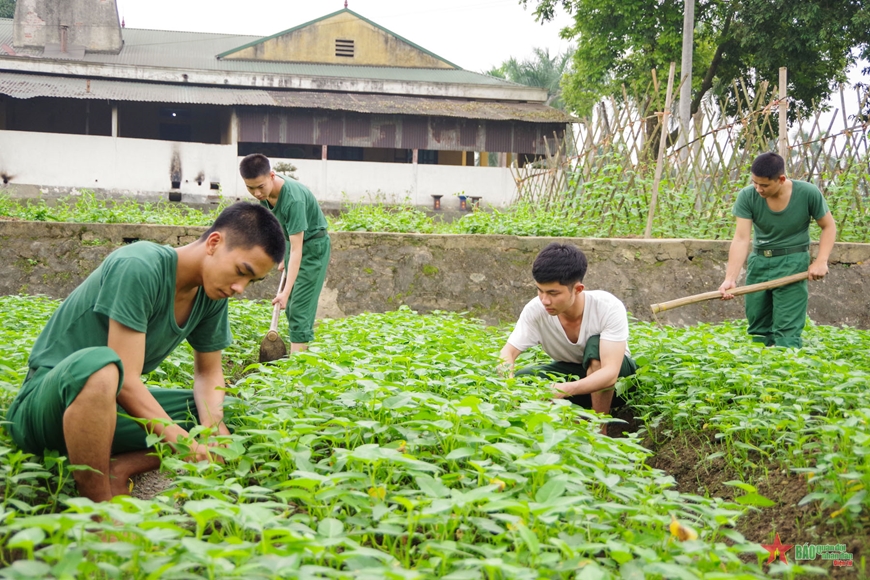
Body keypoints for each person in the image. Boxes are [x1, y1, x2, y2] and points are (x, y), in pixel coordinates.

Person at [5, 202, 285, 502]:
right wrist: (180, 439)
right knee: (103, 368)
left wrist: (213, 427)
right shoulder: (138, 265)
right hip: (47, 410)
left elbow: (208, 373)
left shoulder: (211, 296)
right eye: (241, 272)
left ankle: (121, 466)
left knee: (232, 410)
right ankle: (99, 507)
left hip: (110, 409)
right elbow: (124, 379)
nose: (240, 287)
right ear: (214, 243)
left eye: (251, 281)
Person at [499, 243, 638, 427]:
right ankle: (572, 422)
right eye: (540, 290)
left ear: (578, 289)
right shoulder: (535, 310)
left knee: (595, 347)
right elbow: (507, 353)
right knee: (524, 378)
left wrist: (564, 389)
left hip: (620, 386)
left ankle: (599, 428)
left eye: (553, 293)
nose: (545, 300)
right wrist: (508, 385)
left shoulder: (608, 306)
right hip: (576, 382)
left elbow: (611, 373)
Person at [718, 152, 836, 348]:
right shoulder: (748, 196)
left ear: (781, 179)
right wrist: (731, 278)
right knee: (758, 326)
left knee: (787, 329)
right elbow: (741, 239)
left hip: (793, 262)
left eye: (764, 185)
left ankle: (786, 369)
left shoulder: (807, 193)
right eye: (755, 183)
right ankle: (761, 372)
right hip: (760, 263)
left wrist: (821, 260)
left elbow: (828, 226)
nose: (758, 189)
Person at [239, 154, 330, 353]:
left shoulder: (293, 200)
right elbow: (282, 230)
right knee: (292, 308)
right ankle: (300, 354)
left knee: (298, 307)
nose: (256, 193)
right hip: (294, 243)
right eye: (250, 188)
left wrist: (285, 293)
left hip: (312, 248)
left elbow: (298, 250)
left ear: (272, 175)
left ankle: (298, 368)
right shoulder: (267, 195)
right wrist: (282, 255)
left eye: (260, 186)